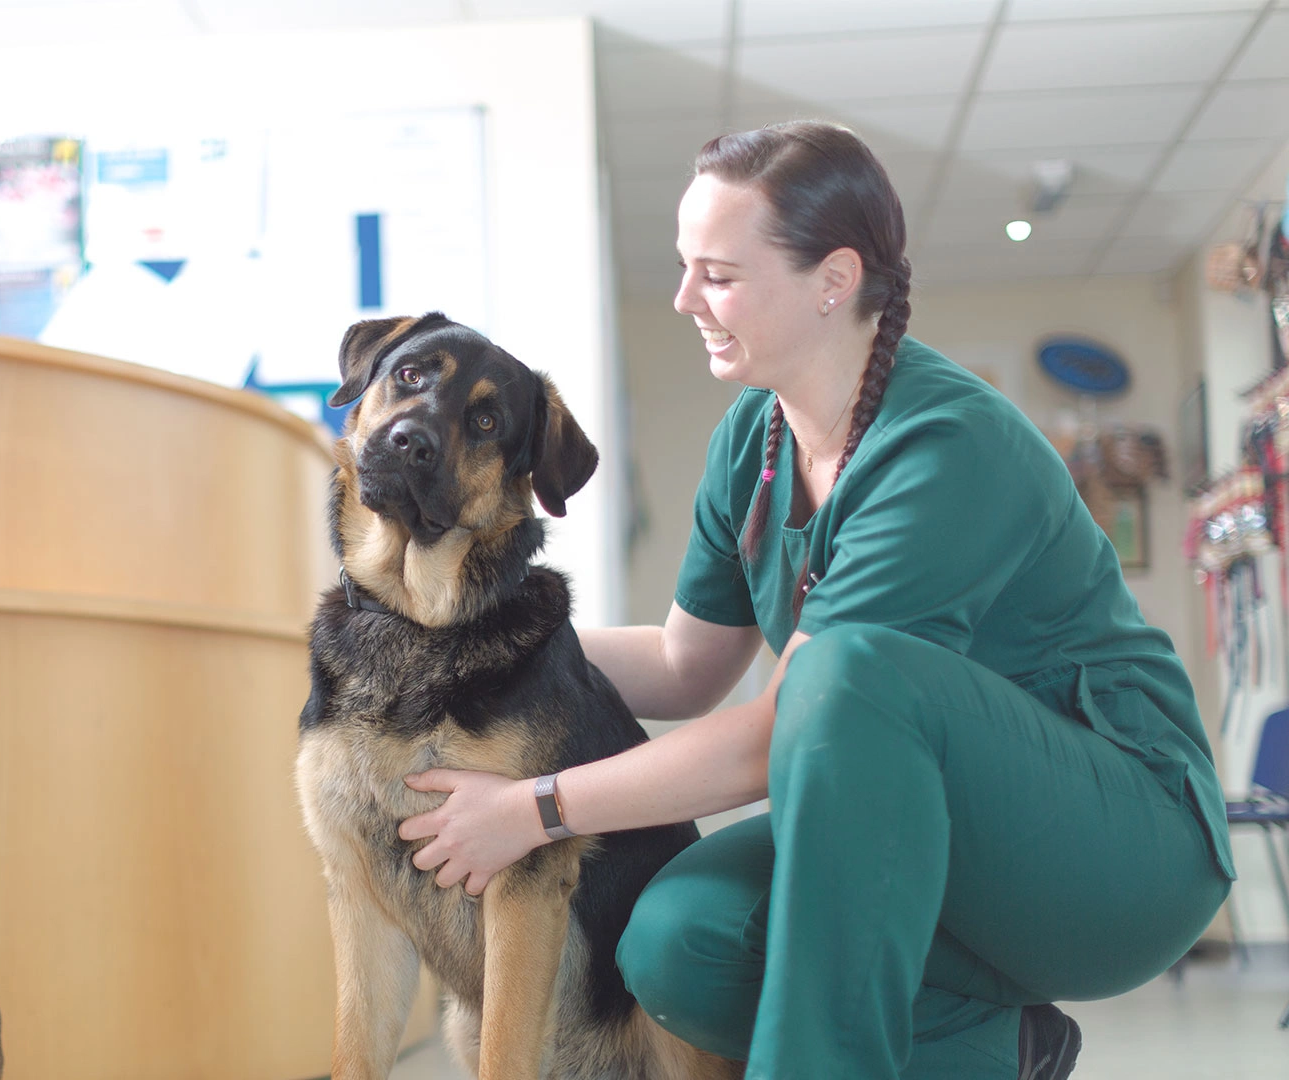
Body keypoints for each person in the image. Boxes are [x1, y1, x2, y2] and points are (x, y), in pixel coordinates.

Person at [395, 121, 1231, 1080]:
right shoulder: (752, 440)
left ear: (834, 280)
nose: (684, 300)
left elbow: (779, 731)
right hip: (929, 837)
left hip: (1116, 849)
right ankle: (1005, 1048)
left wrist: (534, 809)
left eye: (718, 275)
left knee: (844, 668)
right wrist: (465, 639)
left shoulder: (945, 446)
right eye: (683, 268)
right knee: (677, 939)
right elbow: (684, 666)